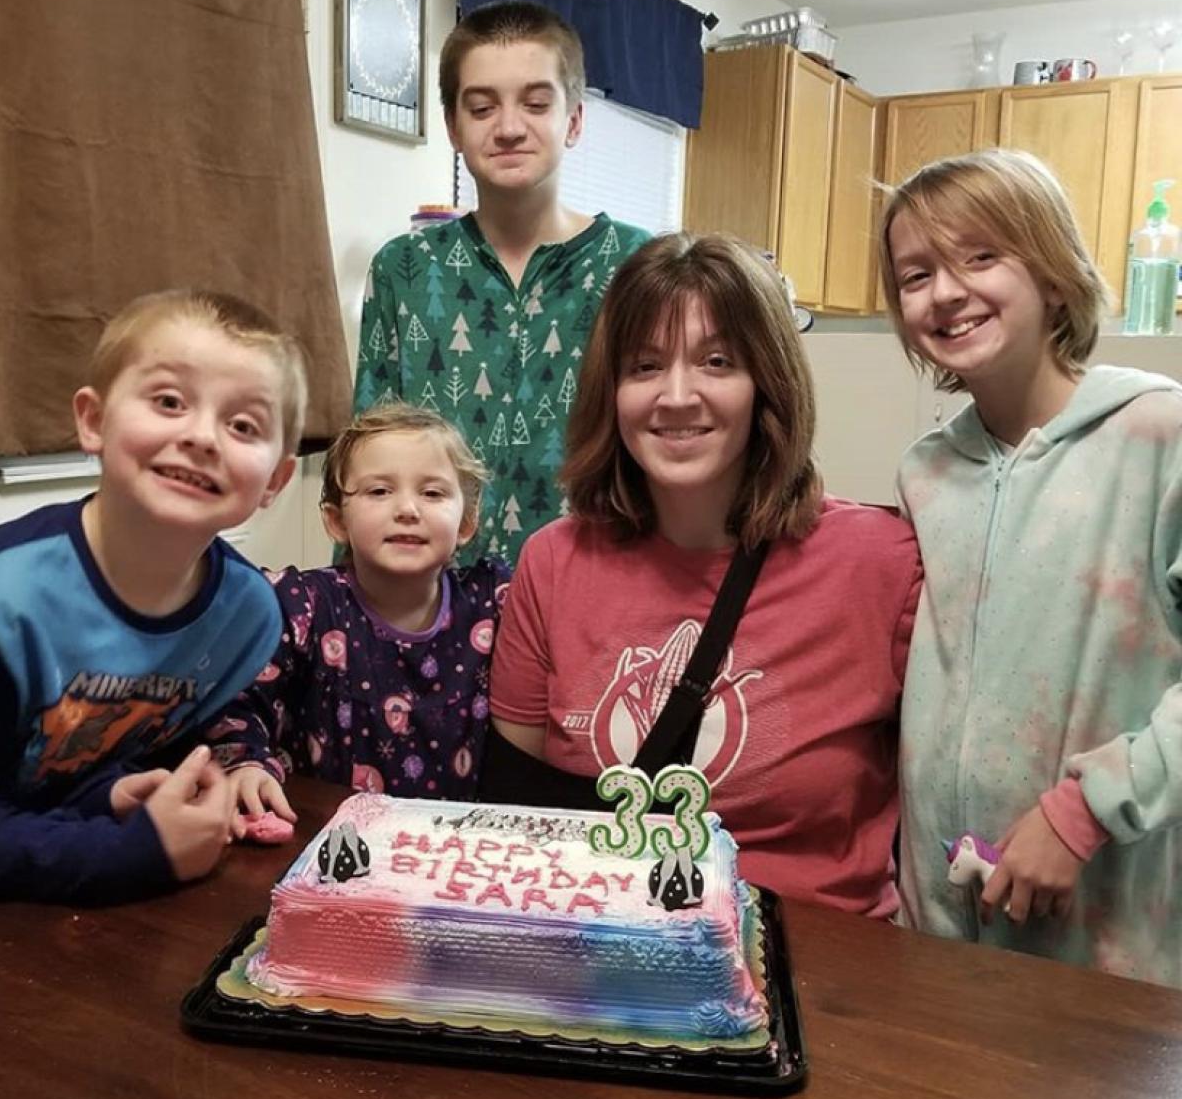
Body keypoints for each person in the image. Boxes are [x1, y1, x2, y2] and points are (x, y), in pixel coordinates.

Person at [488, 233, 922, 916]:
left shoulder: (883, 563)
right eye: (645, 365)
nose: (678, 395)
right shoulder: (553, 561)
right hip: (601, 957)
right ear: (613, 390)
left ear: (767, 382)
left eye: (718, 361)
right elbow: (515, 815)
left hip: (813, 975)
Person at [880, 147, 1182, 987]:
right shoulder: (923, 475)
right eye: (916, 274)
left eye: (982, 256)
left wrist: (1085, 809)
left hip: (1109, 943)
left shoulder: (1160, 438)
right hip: (938, 932)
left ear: (1053, 274)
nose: (945, 291)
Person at [0, 288, 305, 903]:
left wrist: (107, 792)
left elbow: (60, 768)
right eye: (169, 401)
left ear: (277, 479)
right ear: (94, 421)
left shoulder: (246, 619)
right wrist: (134, 853)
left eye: (242, 425)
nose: (203, 436)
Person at [354, 0, 652, 563]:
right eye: (483, 107)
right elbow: (368, 461)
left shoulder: (638, 265)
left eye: (536, 103)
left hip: (594, 587)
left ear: (574, 120)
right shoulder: (403, 268)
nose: (510, 128)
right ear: (452, 127)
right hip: (428, 603)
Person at [213, 403, 510, 820]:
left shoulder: (493, 600)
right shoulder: (302, 605)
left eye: (433, 492)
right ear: (336, 521)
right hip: (326, 844)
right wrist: (245, 762)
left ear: (466, 523)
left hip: (453, 858)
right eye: (379, 491)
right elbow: (236, 698)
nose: (408, 509)